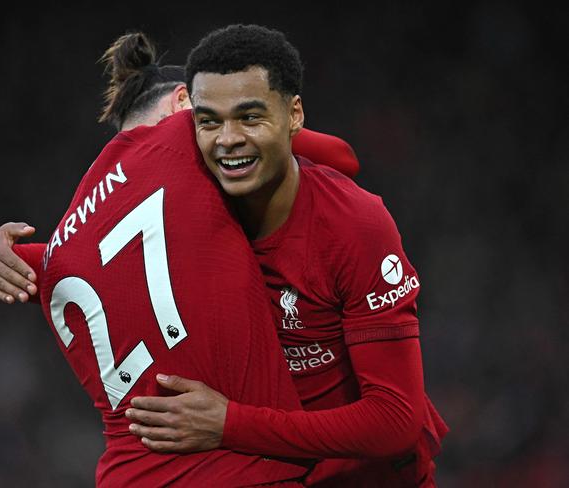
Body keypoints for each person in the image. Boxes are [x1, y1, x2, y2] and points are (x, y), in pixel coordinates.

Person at [0, 31, 324, 487]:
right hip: (235, 471)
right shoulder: (181, 139)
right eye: (211, 116)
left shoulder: (65, 243)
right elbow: (335, 156)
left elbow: (15, 260)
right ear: (185, 104)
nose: (224, 134)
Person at [120, 24, 449, 487]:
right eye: (209, 121)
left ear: (294, 114)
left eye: (249, 117)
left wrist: (228, 424)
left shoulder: (352, 226)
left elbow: (394, 420)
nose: (227, 139)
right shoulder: (186, 209)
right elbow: (98, 264)